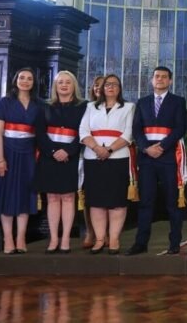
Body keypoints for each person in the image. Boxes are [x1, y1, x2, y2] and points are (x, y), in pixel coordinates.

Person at [126, 66, 187, 256]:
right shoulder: (142, 102)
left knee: (172, 202)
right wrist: (146, 148)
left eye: (164, 77)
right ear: (152, 80)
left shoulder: (178, 101)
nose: (160, 79)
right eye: (157, 76)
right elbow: (136, 129)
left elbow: (180, 128)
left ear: (170, 81)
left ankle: (175, 243)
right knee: (146, 202)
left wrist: (162, 146)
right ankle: (141, 243)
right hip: (147, 159)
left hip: (168, 157)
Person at [0, 68, 41, 254]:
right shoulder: (4, 103)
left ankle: (21, 238)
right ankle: (8, 238)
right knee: (6, 194)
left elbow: (40, 132)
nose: (25, 81)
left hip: (29, 154)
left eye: (29, 78)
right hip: (7, 153)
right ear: (15, 80)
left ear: (34, 82)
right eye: (22, 77)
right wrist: (0, 159)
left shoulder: (39, 105)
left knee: (25, 194)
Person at [79, 74, 135, 255]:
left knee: (116, 200)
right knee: (96, 201)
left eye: (114, 84)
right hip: (93, 158)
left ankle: (114, 238)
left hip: (118, 158)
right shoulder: (91, 107)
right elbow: (83, 131)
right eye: (107, 84)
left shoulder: (128, 107)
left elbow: (128, 134)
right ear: (102, 88)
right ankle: (99, 239)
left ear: (120, 88)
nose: (110, 87)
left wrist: (109, 150)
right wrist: (97, 148)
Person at [34, 71, 86, 254]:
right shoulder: (45, 106)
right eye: (60, 82)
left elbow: (84, 132)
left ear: (74, 86)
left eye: (68, 82)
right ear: (55, 86)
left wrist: (69, 151)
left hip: (71, 158)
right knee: (52, 198)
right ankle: (54, 238)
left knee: (68, 197)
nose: (64, 85)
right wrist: (53, 151)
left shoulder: (83, 106)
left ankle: (65, 239)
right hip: (50, 158)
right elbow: (40, 133)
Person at [81, 75, 104, 250]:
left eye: (102, 85)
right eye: (96, 85)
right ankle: (90, 231)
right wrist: (95, 147)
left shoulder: (121, 107)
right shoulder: (86, 107)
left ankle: (105, 233)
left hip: (111, 154)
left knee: (107, 195)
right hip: (89, 154)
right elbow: (82, 130)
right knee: (89, 195)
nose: (98, 88)